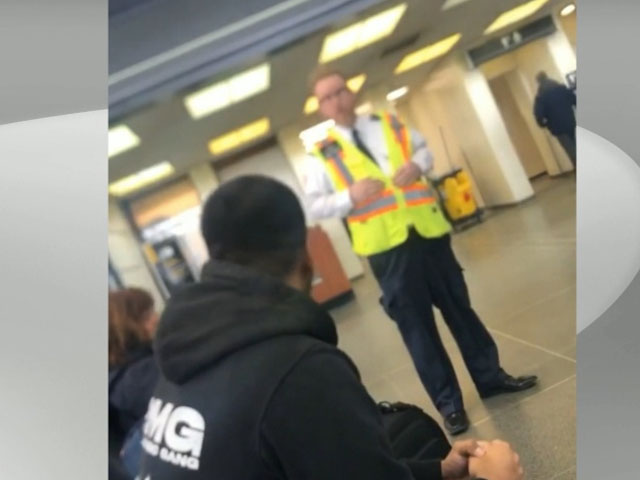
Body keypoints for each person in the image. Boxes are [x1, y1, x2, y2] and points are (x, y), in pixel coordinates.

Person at [136, 175, 524, 480]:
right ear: (305, 258)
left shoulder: (184, 358)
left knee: (414, 444)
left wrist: (437, 472)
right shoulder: (298, 369)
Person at [303, 67, 537, 435]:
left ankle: (491, 379)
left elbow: (424, 151)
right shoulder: (322, 155)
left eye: (340, 91)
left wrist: (417, 165)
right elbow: (315, 206)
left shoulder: (388, 125)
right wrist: (349, 196)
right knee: (418, 329)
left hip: (429, 233)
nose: (337, 100)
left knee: (461, 310)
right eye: (327, 97)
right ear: (321, 108)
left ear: (351, 93)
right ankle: (450, 406)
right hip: (387, 250)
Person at [109, 287, 160, 478]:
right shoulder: (141, 376)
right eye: (147, 316)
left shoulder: (116, 376)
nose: (156, 318)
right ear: (128, 327)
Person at [534, 71, 577, 166]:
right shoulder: (561, 88)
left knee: (571, 151)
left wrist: (544, 124)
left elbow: (539, 115)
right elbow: (574, 100)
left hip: (557, 128)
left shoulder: (541, 97)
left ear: (538, 82)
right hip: (571, 122)